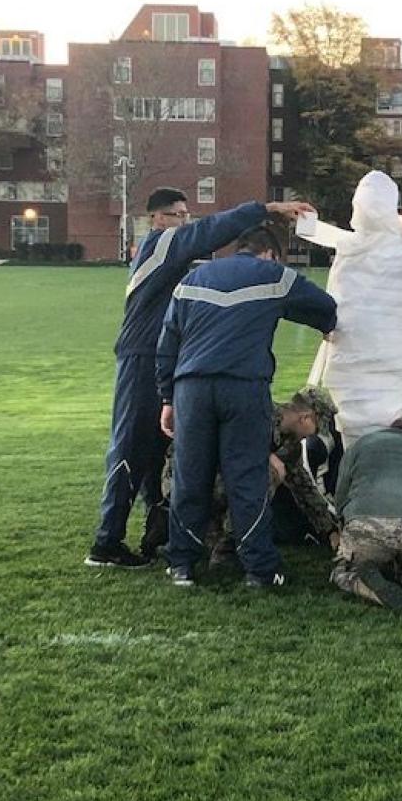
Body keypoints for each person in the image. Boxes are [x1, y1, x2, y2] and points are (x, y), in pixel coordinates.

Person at [84, 188, 313, 569]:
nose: (185, 222)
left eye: (187, 215)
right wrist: (267, 209)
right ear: (158, 219)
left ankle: (158, 530)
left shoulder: (168, 255)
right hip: (143, 358)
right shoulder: (160, 245)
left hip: (166, 360)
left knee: (160, 450)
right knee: (130, 447)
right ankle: (106, 542)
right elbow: (210, 230)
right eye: (179, 215)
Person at [156, 226, 337, 588]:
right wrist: (325, 326)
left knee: (190, 476)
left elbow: (168, 340)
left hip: (192, 387)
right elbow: (324, 307)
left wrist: (167, 397)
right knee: (247, 477)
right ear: (270, 254)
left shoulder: (193, 278)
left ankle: (183, 565)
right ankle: (259, 569)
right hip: (243, 386)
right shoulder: (274, 276)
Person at [296, 170, 402, 448]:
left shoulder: (356, 246)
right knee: (385, 430)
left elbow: (322, 234)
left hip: (365, 359)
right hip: (384, 363)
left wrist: (302, 219)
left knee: (356, 436)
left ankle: (359, 477)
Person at [205, 386, 341, 564]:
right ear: (305, 418)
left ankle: (221, 542)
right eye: (316, 429)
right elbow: (223, 444)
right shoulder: (258, 413)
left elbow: (304, 489)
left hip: (224, 490)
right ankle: (230, 545)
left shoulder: (290, 444)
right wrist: (265, 458)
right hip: (202, 483)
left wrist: (329, 529)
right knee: (268, 474)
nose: (312, 435)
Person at [330, 416, 402, 611]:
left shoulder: (360, 445)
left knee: (343, 569)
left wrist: (341, 527)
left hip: (367, 526)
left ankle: (370, 588)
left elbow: (341, 495)